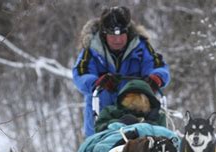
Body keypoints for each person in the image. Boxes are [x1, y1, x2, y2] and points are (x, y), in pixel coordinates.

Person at [73, 6, 170, 137]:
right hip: (101, 117)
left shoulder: (141, 47)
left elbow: (157, 65)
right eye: (112, 35)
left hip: (138, 113)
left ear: (128, 32)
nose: (117, 40)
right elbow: (80, 74)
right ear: (104, 33)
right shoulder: (91, 50)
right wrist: (96, 82)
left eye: (121, 35)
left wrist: (156, 78)